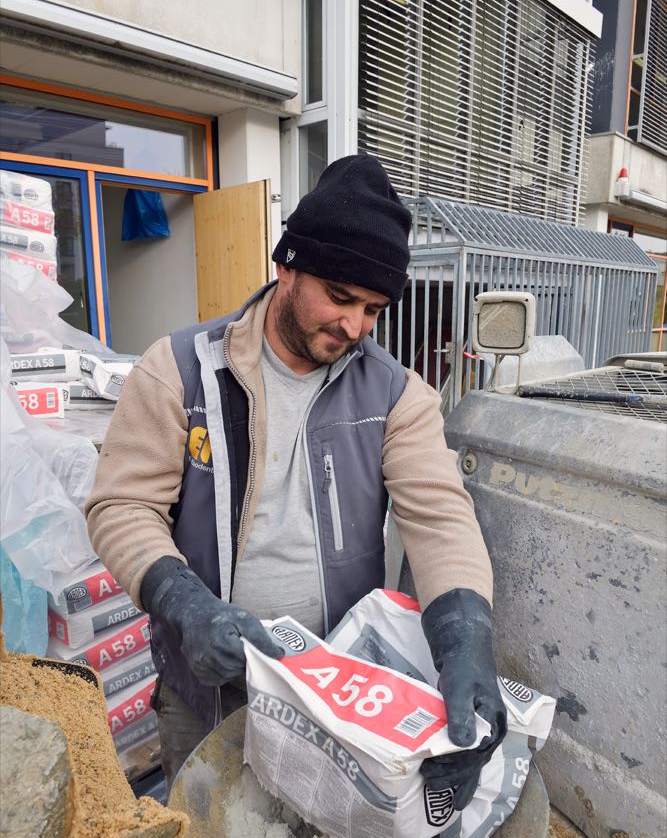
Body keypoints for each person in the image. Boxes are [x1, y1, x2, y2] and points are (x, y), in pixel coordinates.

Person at [86, 154, 506, 798]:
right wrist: (185, 604)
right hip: (204, 690)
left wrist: (466, 638)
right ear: (287, 266)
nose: (354, 326)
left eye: (374, 308)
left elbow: (440, 518)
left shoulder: (397, 397)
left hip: (333, 694)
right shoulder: (178, 371)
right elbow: (122, 505)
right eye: (339, 297)